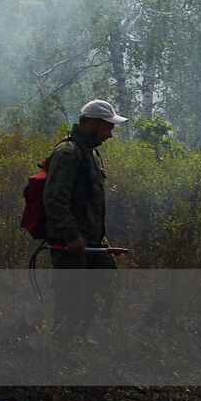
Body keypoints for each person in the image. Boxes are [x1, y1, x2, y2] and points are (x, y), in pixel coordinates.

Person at [44, 99, 127, 340]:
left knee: (100, 286)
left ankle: (79, 337)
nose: (110, 135)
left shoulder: (88, 153)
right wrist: (71, 236)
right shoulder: (68, 154)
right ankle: (58, 348)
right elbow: (54, 200)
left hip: (91, 242)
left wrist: (98, 241)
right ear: (91, 124)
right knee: (70, 297)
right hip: (71, 244)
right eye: (107, 128)